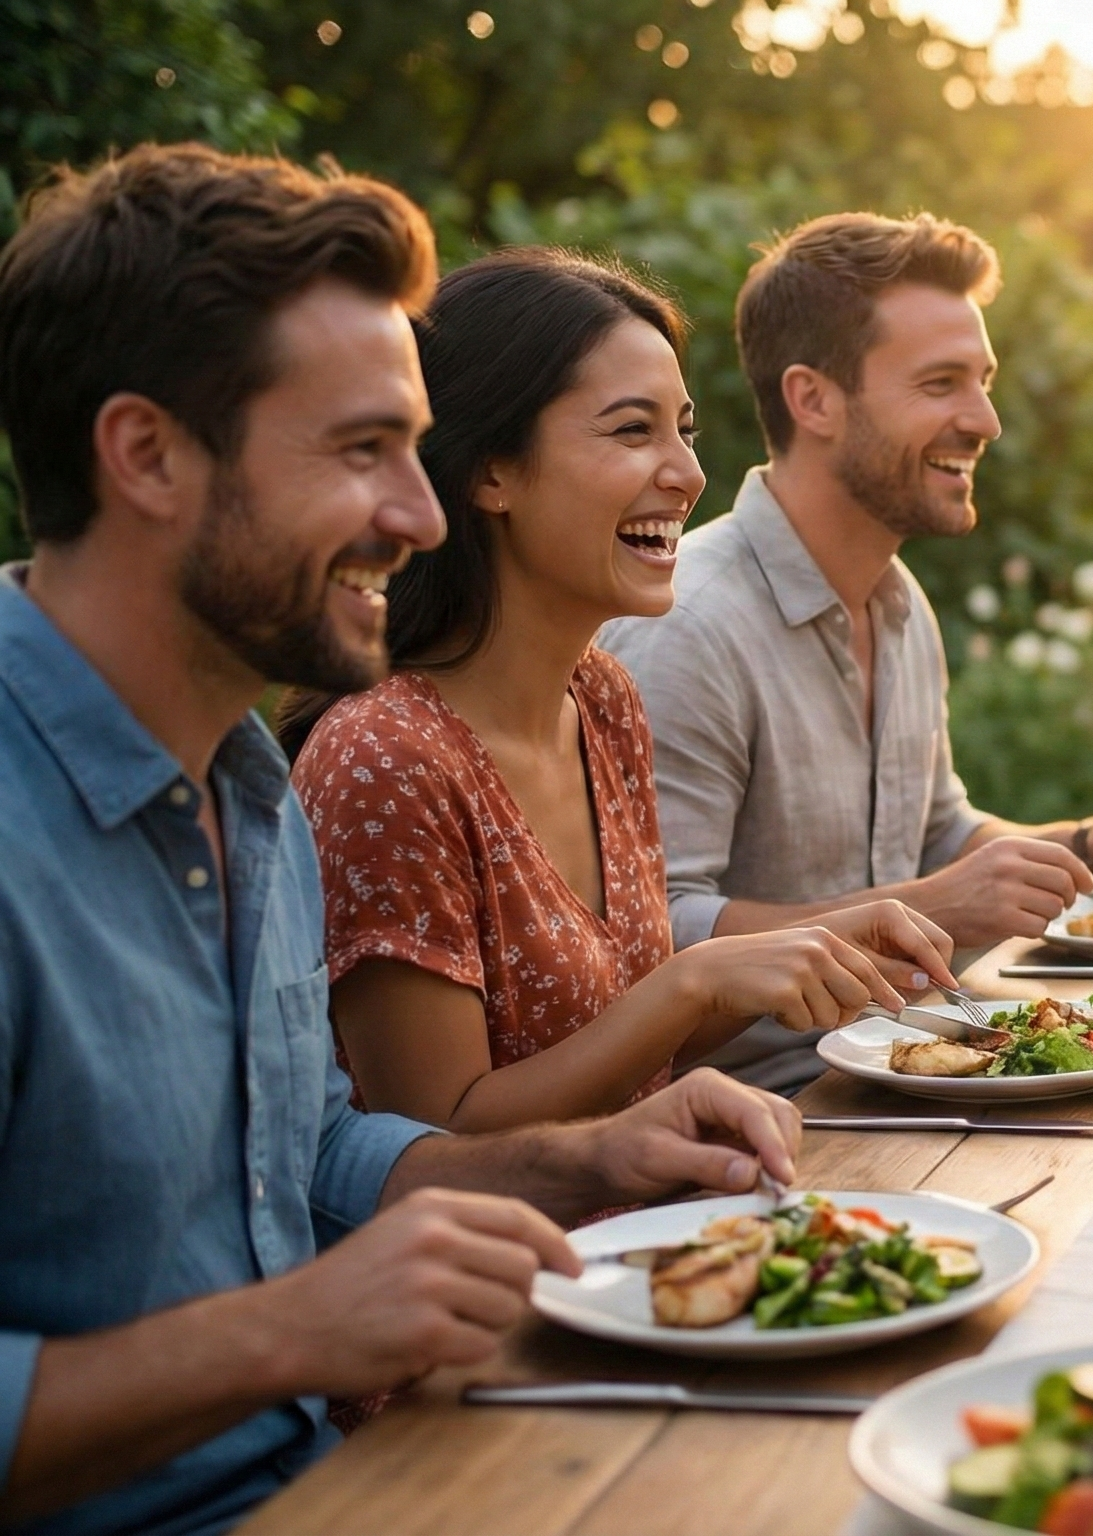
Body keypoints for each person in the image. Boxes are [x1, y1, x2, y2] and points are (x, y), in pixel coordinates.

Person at [0, 143, 804, 1536]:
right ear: (144, 456)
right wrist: (291, 1334)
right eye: (363, 451)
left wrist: (590, 1158)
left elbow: (307, 1155)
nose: (423, 516)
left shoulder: (248, 786)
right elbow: (299, 1302)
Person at [285, 249, 955, 1131]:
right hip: (514, 1265)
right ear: (491, 472)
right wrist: (693, 980)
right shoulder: (385, 760)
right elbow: (437, 1142)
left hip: (662, 1229)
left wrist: (804, 954)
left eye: (685, 430)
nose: (687, 473)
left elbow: (630, 1058)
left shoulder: (600, 698)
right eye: (632, 431)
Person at [603, 212, 1093, 1094]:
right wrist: (929, 906)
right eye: (942, 383)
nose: (986, 419)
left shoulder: (899, 602)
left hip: (913, 1070)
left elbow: (936, 834)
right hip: (759, 1115)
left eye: (983, 381)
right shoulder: (688, 625)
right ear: (815, 400)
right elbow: (655, 938)